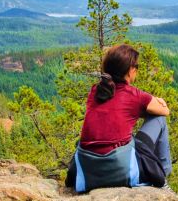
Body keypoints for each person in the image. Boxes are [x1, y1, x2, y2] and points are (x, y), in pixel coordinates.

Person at [66, 44, 172, 193]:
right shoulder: (135, 95)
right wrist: (157, 100)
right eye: (136, 66)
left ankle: (161, 176)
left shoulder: (96, 90)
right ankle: (163, 177)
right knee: (159, 119)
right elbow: (164, 111)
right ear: (130, 70)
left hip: (89, 171)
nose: (137, 70)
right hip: (121, 169)